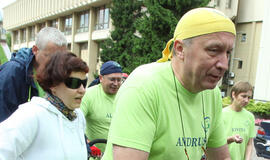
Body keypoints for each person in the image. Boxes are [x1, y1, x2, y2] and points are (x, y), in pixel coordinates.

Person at [102, 7, 236, 160]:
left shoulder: (211, 93)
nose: (224, 65)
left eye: (228, 53)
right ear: (179, 49)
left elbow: (222, 158)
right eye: (213, 50)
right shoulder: (143, 87)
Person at [0, 52, 89, 160]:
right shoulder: (31, 114)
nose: (82, 90)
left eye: (84, 83)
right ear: (53, 85)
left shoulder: (78, 116)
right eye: (74, 83)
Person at [0, 27, 67, 122]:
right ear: (35, 50)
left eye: (61, 58)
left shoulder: (58, 74)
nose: (56, 62)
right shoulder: (12, 72)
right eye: (51, 57)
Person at [81, 61, 123, 153]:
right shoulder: (88, 95)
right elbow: (76, 122)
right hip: (95, 155)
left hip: (119, 155)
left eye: (119, 80)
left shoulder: (125, 96)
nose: (116, 83)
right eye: (112, 79)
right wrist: (87, 143)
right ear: (101, 78)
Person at [222, 81, 255, 160]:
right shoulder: (221, 114)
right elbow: (214, 143)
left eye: (249, 97)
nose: (246, 100)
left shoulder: (250, 117)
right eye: (243, 96)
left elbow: (249, 144)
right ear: (233, 94)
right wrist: (232, 139)